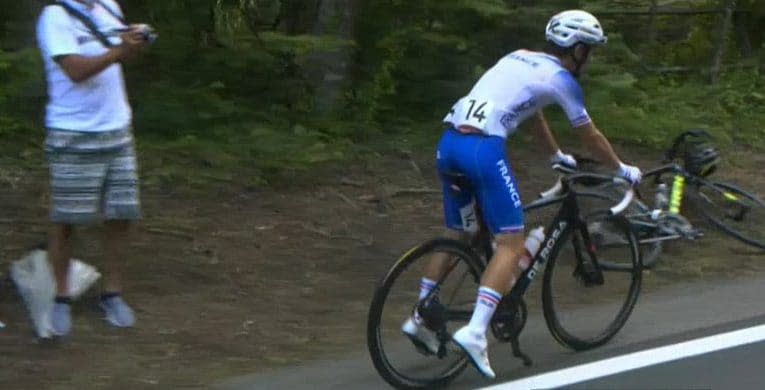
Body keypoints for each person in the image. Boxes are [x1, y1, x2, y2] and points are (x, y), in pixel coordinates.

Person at [401, 9, 643, 379]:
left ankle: (420, 315)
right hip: (482, 151)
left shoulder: (518, 57)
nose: (590, 59)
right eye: (589, 50)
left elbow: (533, 114)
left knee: (461, 234)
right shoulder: (562, 79)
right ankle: (477, 332)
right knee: (510, 243)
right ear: (576, 49)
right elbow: (590, 136)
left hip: (448, 146)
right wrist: (622, 169)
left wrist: (555, 157)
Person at [36, 0, 151, 336]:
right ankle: (61, 296)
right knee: (67, 219)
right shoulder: (55, 15)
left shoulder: (107, 6)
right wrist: (119, 51)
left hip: (117, 129)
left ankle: (112, 292)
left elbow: (120, 57)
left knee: (120, 215)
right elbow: (75, 70)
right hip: (73, 133)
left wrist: (135, 43)